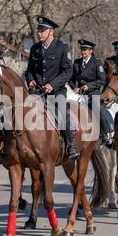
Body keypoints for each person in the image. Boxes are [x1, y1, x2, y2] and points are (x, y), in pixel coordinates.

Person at [25, 16, 78, 159]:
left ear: (51, 32)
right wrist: (30, 81)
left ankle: (71, 143)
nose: (39, 33)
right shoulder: (35, 49)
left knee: (61, 112)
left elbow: (68, 72)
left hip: (56, 91)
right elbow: (29, 71)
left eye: (42, 30)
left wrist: (52, 85)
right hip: (36, 92)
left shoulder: (62, 47)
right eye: (39, 30)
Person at [69, 39, 110, 145]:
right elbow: (71, 79)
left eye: (86, 50)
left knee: (98, 111)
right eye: (82, 49)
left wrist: (89, 86)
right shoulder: (77, 62)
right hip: (79, 94)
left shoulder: (96, 62)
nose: (83, 52)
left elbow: (102, 80)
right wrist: (74, 87)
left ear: (91, 51)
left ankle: (106, 134)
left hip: (93, 93)